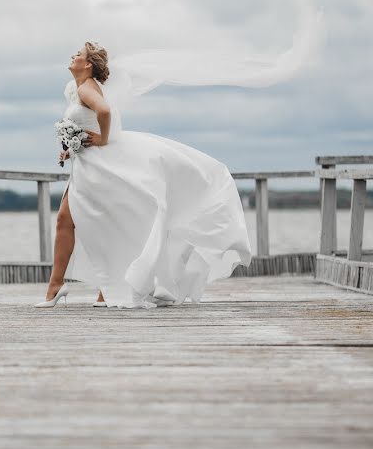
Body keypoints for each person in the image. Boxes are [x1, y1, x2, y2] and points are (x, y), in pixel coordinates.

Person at [35, 42, 252, 309]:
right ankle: (96, 288)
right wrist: (72, 147)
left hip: (98, 167)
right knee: (87, 224)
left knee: (71, 222)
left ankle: (61, 287)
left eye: (78, 54)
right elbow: (90, 120)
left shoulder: (86, 88)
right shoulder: (82, 89)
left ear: (88, 64)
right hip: (89, 166)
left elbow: (104, 112)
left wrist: (101, 140)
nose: (73, 56)